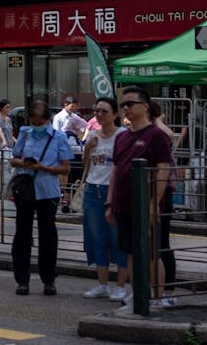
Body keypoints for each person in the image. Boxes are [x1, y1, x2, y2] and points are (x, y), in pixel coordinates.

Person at [106, 86, 174, 311]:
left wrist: (155, 202)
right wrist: (110, 203)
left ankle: (157, 296)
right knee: (130, 253)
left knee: (152, 252)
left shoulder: (156, 135)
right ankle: (138, 295)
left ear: (145, 106)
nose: (126, 108)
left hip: (146, 206)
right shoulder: (122, 136)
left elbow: (163, 168)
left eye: (130, 104)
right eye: (123, 105)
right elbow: (116, 170)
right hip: (123, 205)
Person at [10, 99, 74, 296]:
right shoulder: (25, 133)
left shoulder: (59, 137)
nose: (36, 126)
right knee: (22, 235)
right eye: (33, 122)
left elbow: (66, 167)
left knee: (47, 236)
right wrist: (24, 163)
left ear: (47, 120)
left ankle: (49, 279)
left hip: (48, 191)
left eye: (40, 123)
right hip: (26, 190)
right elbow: (14, 158)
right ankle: (22, 280)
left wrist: (44, 168)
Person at [81, 96, 128, 303]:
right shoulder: (93, 134)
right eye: (96, 110)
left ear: (115, 114)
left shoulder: (123, 135)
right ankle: (102, 284)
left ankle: (120, 285)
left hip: (115, 192)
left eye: (104, 111)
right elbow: (86, 165)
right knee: (96, 239)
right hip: (93, 189)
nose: (99, 114)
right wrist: (88, 147)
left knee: (118, 239)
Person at [153, 114, 183, 306]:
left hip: (162, 196)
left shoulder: (159, 136)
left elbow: (169, 135)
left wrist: (157, 120)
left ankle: (167, 290)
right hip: (148, 196)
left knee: (161, 243)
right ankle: (153, 290)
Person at [0, 98, 17, 199]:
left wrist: (17, 142)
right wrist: (3, 141)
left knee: (8, 171)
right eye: (7, 107)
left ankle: (6, 191)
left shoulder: (8, 119)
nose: (8, 109)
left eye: (9, 107)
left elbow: (10, 133)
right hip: (1, 148)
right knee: (0, 171)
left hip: (9, 148)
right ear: (1, 108)